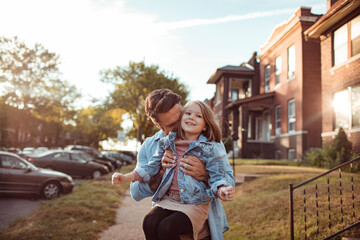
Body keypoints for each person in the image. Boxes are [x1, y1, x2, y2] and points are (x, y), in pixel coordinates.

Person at [113, 98, 235, 240]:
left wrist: (207, 177)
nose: (190, 118)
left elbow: (223, 178)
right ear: (158, 124)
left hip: (194, 202)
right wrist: (158, 172)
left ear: (205, 126)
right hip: (169, 201)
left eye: (198, 116)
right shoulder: (165, 142)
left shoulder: (210, 146)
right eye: (187, 114)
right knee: (149, 222)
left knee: (167, 227)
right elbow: (138, 188)